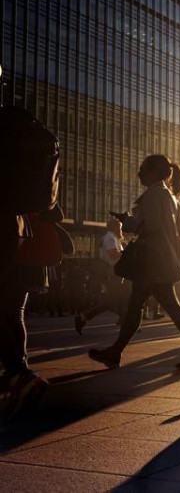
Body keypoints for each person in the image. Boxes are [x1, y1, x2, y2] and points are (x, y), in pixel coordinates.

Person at [88, 155, 180, 370]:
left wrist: (127, 221)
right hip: (161, 260)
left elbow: (151, 226)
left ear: (154, 172)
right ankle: (115, 352)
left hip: (152, 261)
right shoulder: (171, 197)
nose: (139, 174)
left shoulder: (153, 194)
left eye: (143, 170)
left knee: (164, 307)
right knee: (138, 305)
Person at [0, 106, 59, 421]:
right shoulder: (16, 122)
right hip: (15, 227)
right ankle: (16, 373)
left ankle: (19, 375)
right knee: (9, 306)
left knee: (7, 307)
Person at [74, 218, 126, 334]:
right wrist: (126, 253)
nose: (121, 230)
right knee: (114, 300)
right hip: (113, 273)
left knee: (117, 299)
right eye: (120, 227)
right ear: (115, 227)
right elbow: (113, 254)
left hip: (115, 273)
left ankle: (125, 321)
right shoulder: (110, 238)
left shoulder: (113, 238)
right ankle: (84, 316)